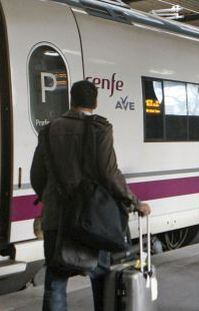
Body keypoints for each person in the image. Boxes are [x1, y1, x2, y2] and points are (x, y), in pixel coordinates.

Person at [30, 80, 151, 311]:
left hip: (57, 218)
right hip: (93, 219)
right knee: (101, 277)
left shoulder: (48, 131)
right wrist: (135, 202)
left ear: (71, 100)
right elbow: (109, 174)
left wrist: (51, 199)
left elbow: (37, 175)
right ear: (95, 103)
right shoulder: (100, 128)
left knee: (55, 282)